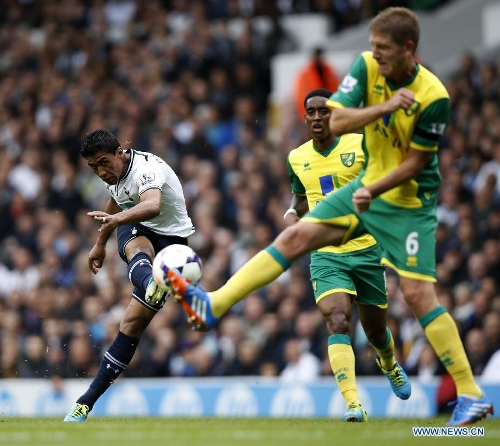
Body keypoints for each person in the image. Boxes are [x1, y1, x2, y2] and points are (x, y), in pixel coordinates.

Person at [162, 7, 494, 426]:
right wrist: (384, 107)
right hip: (362, 196)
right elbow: (340, 116)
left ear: (408, 48)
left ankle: (468, 392)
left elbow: (415, 162)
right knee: (296, 239)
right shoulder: (366, 68)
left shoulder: (434, 96)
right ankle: (214, 304)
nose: (375, 54)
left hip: (407, 199)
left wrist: (374, 188)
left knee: (413, 296)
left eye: (383, 48)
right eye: (372, 46)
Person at [284, 88, 409, 421]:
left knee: (376, 333)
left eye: (324, 111)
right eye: (311, 112)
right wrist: (293, 213)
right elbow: (301, 196)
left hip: (366, 249)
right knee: (337, 319)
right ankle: (353, 404)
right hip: (326, 252)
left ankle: (388, 363)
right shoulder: (296, 158)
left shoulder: (359, 144)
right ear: (304, 117)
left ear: (335, 114)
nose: (317, 117)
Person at [63, 129, 195, 422]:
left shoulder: (146, 169)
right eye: (93, 167)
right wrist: (100, 244)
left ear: (119, 153)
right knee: (138, 251)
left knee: (132, 324)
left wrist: (116, 219)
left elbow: (152, 204)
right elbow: (116, 201)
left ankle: (152, 282)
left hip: (172, 241)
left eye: (103, 162)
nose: (101, 172)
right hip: (140, 229)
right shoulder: (113, 174)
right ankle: (84, 405)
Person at [293, 47, 340, 118]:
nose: (319, 59)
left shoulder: (329, 72)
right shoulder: (306, 74)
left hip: (328, 107)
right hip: (313, 107)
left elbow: (335, 88)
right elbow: (301, 95)